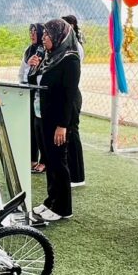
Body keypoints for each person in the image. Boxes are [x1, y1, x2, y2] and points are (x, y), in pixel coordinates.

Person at [27, 19, 82, 222]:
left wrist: (62, 126)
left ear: (60, 36)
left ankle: (63, 208)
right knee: (49, 161)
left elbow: (69, 96)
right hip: (42, 115)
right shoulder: (49, 58)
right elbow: (35, 83)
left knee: (59, 162)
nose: (44, 38)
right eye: (43, 34)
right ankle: (51, 200)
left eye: (47, 35)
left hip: (57, 119)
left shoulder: (70, 60)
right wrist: (33, 68)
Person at [60, 15, 85, 187]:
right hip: (65, 94)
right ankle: (68, 172)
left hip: (72, 94)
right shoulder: (63, 47)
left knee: (72, 133)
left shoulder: (74, 48)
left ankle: (77, 176)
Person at [20, 24, 47, 174]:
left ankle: (44, 161)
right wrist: (28, 67)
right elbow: (22, 73)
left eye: (35, 32)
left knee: (42, 129)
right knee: (31, 127)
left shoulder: (47, 51)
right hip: (29, 92)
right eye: (30, 32)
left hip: (42, 95)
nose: (32, 35)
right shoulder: (29, 50)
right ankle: (32, 158)